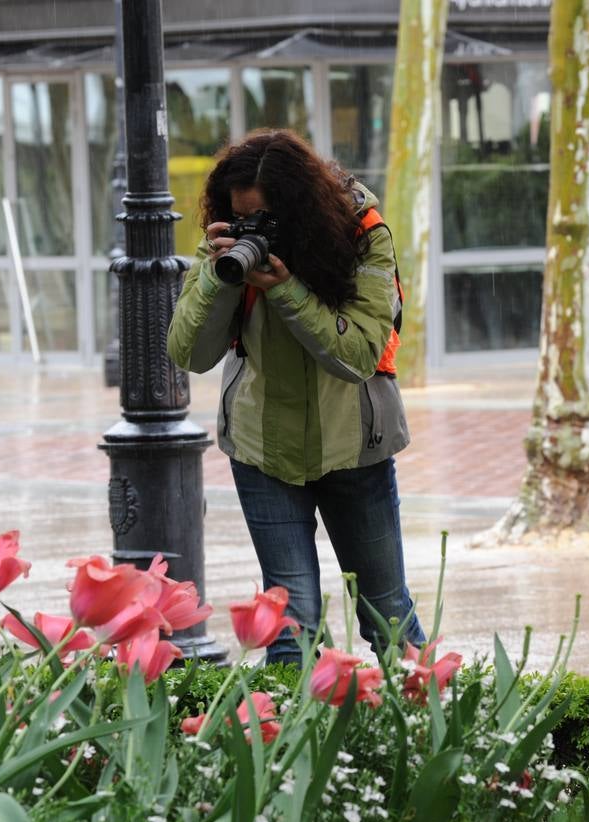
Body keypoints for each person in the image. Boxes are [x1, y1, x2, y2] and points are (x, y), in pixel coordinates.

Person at [167, 129, 426, 666]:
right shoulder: (228, 243)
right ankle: (290, 746)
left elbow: (356, 355)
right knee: (290, 622)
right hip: (265, 450)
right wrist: (220, 278)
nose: (254, 233)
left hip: (355, 444)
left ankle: (425, 735)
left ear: (303, 210)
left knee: (386, 613)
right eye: (243, 219)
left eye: (266, 221)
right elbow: (187, 352)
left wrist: (286, 289)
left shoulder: (362, 233)